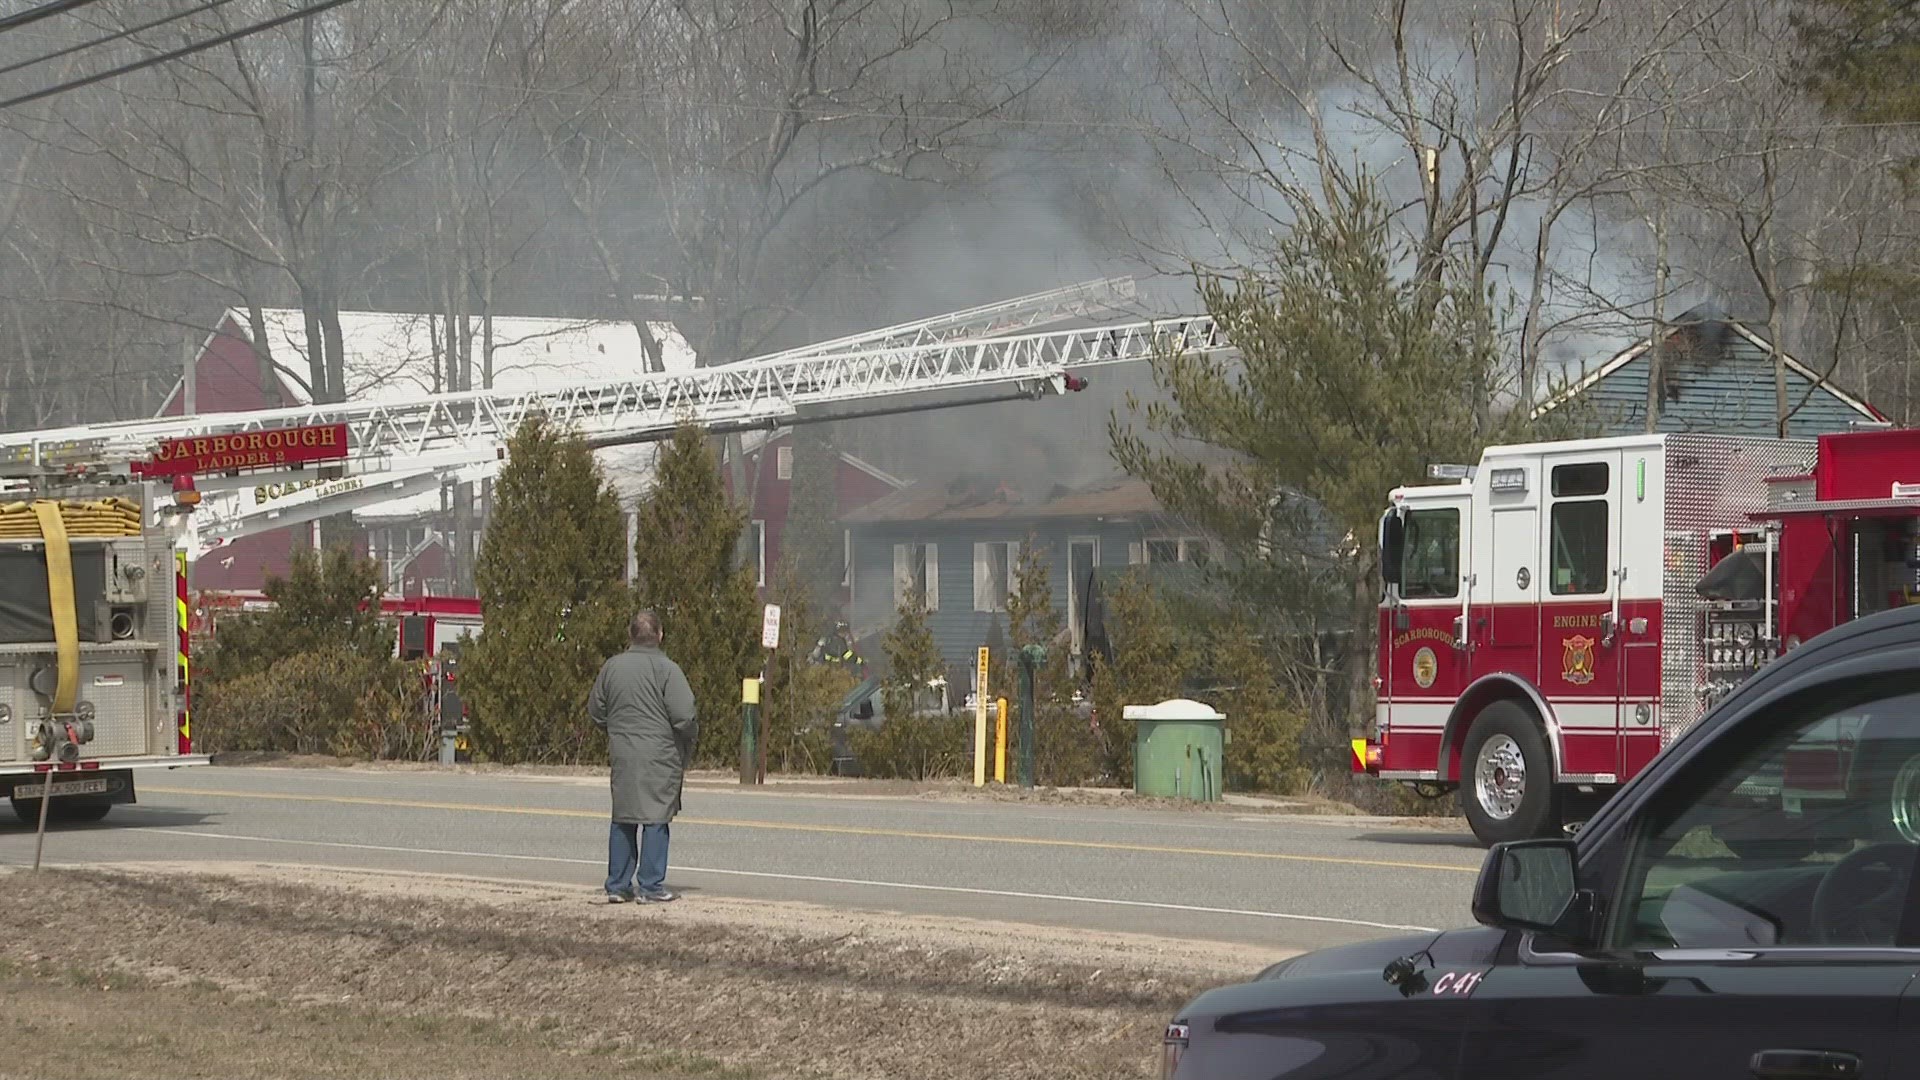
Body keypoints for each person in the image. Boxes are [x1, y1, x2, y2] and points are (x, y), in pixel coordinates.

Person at [589, 609, 697, 904]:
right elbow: (685, 715)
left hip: (623, 752)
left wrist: (617, 730)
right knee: (656, 817)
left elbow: (596, 710)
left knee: (623, 816)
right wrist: (689, 738)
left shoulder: (612, 667)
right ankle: (650, 886)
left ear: (631, 634)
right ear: (660, 635)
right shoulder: (667, 670)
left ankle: (617, 885)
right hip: (660, 754)